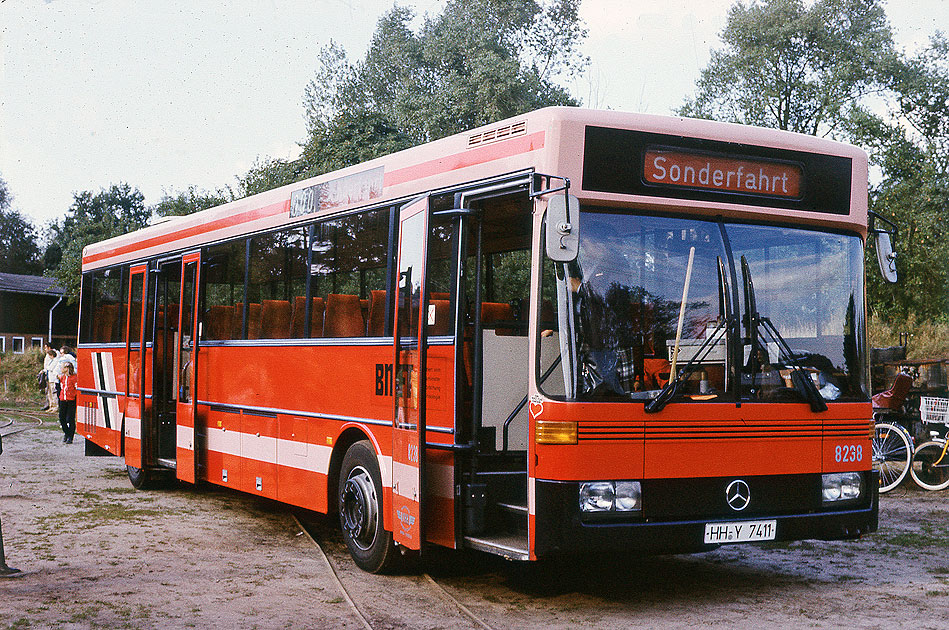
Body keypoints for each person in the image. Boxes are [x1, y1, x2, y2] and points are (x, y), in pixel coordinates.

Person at [57, 362, 78, 444]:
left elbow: (76, 389)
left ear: (67, 368)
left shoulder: (74, 378)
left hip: (71, 400)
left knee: (70, 419)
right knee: (62, 418)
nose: (61, 369)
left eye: (63, 368)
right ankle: (67, 433)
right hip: (63, 399)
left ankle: (70, 437)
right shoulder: (63, 377)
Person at [42, 346, 60, 413]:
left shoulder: (56, 360)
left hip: (53, 379)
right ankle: (51, 406)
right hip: (50, 379)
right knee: (49, 393)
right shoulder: (52, 361)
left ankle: (55, 407)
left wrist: (47, 368)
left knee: (53, 393)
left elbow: (50, 368)